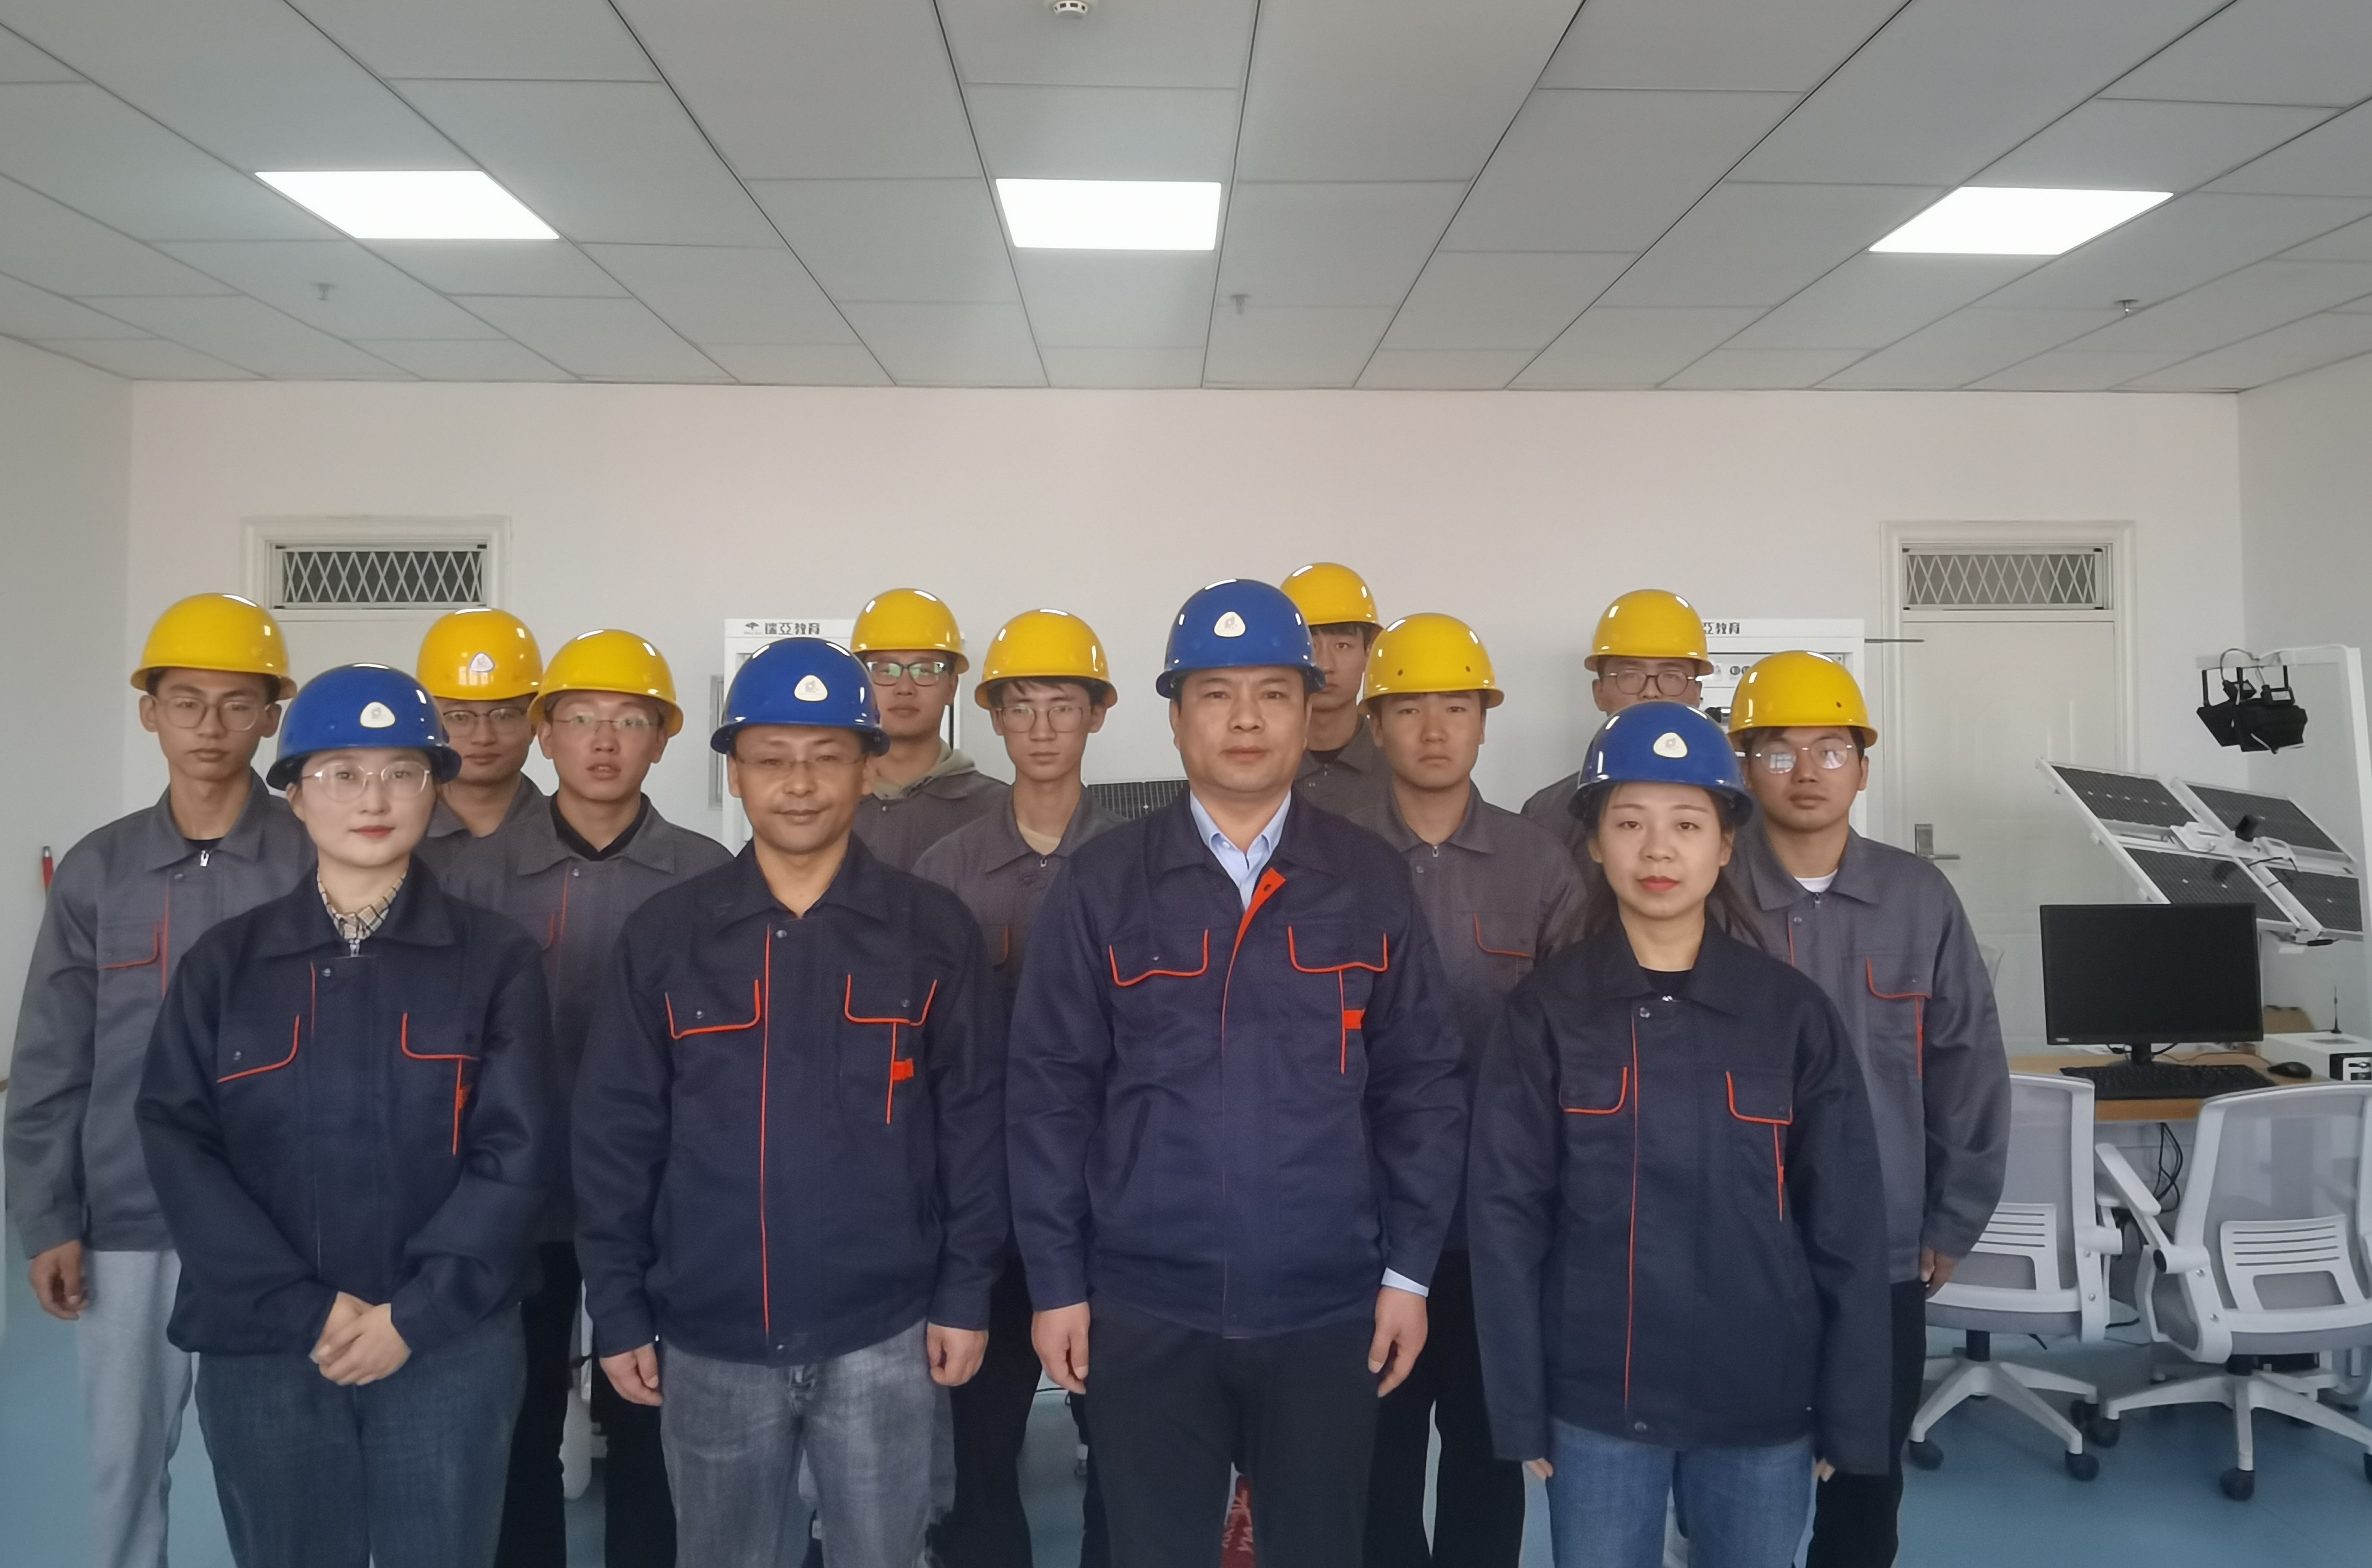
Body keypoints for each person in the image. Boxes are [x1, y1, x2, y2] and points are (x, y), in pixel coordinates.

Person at [1008, 579, 1467, 1568]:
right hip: (1144, 1305)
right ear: (1177, 719)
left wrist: (1407, 1272)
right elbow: (1049, 1094)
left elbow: (1421, 1084)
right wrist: (1056, 1282)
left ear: (1310, 713)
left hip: (1328, 1306)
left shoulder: (1368, 876)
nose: (1246, 719)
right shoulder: (1104, 881)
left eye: (1272, 693)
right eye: (1216, 693)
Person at [573, 636, 1007, 1568]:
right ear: (735, 773)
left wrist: (966, 1289)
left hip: (886, 1333)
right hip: (711, 1336)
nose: (799, 783)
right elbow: (617, 1136)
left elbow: (973, 1125)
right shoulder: (667, 937)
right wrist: (617, 1304)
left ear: (866, 767)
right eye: (771, 759)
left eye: (827, 756)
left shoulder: (931, 931)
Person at [135, 662, 556, 1568]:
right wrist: (303, 1308)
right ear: (292, 793)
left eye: (403, 771)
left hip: (447, 1345)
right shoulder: (225, 965)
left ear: (433, 791)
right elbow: (179, 1143)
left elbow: (517, 1150)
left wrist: (415, 1313)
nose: (374, 797)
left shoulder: (495, 959)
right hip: (266, 1345)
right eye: (341, 772)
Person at [1469, 702, 1891, 1568]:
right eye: (1629, 822)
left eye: (1687, 824)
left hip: (1761, 1397)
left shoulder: (1789, 1013)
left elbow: (1846, 1223)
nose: (1657, 849)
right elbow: (1504, 1217)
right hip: (1595, 1400)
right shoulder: (1546, 1011)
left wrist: (1848, 1409)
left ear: (1726, 841)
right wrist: (1517, 1405)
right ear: (1594, 842)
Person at [6, 592, 312, 1568]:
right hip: (127, 1214)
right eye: (187, 701)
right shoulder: (99, 870)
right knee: (125, 1466)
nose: (210, 725)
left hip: (281, 1218)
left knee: (283, 1465)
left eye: (237, 702)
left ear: (271, 715)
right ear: (150, 711)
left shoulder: (315, 856)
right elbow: (53, 1054)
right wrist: (47, 1215)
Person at [444, 628, 731, 1568]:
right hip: (510, 1198)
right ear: (545, 733)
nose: (604, 741)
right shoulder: (468, 877)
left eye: (630, 720)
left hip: (658, 1199)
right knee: (513, 1418)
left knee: (649, 1419)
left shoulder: (709, 876)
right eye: (580, 718)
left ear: (664, 736)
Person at [1723, 652, 2009, 1568]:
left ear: (1863, 767)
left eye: (1831, 749)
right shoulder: (1712, 896)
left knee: (1865, 1478)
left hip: (1881, 1243)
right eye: (1779, 751)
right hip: (1740, 1245)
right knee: (1739, 1473)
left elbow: (1967, 1063)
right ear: (1743, 767)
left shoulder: (1919, 897)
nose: (1806, 771)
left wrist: (1953, 1217)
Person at [1347, 614, 1584, 1568]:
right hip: (1363, 1219)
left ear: (1485, 719)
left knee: (1489, 1457)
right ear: (1374, 724)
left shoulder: (1540, 864)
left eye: (1456, 705)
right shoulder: (1332, 857)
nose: (1435, 727)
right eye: (1409, 707)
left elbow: (1579, 1052)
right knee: (1376, 1461)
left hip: (1500, 1225)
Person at [912, 610, 1126, 1568]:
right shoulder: (946, 870)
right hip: (986, 1205)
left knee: (1124, 1446)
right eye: (1022, 706)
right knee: (980, 1453)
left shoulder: (1144, 861)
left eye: (1063, 705)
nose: (1042, 727)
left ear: (1096, 715)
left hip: (1115, 1203)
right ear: (993, 717)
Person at [1520, 590, 1714, 871]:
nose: (1650, 692)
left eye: (1671, 676)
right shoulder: (1550, 813)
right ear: (1599, 693)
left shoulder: (1733, 805)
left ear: (1696, 694)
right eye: (1630, 675)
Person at [849, 588, 1010, 870]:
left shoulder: (1001, 810)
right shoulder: (827, 800)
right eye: (885, 670)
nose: (904, 688)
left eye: (925, 670)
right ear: (860, 684)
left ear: (952, 687)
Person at [415, 608, 547, 876]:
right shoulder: (395, 833)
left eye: (504, 715)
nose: (483, 737)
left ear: (535, 724)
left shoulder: (569, 836)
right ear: (428, 722)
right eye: (459, 717)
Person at [1280, 562, 1392, 819]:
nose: (1325, 666)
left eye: (1342, 645)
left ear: (1369, 652)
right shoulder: (1257, 756)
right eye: (1310, 646)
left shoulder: (1400, 762)